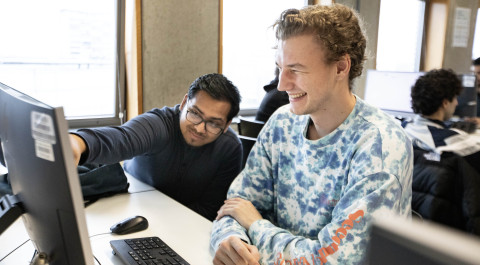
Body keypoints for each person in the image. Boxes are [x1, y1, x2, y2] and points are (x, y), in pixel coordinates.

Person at [210, 4, 413, 265]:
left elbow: (335, 261)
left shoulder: (380, 146)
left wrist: (256, 226)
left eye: (296, 69)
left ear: (341, 68)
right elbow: (236, 206)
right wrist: (231, 242)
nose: (282, 84)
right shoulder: (282, 123)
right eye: (280, 68)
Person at [69, 73, 243, 221]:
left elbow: (211, 207)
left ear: (227, 125)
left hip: (179, 224)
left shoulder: (230, 148)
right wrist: (78, 142)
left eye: (213, 123)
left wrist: (166, 224)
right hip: (127, 207)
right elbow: (122, 138)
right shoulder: (159, 124)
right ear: (184, 103)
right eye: (195, 113)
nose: (199, 128)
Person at [403, 68, 480, 174]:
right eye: (455, 98)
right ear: (445, 103)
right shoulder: (455, 140)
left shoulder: (403, 129)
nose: (457, 103)